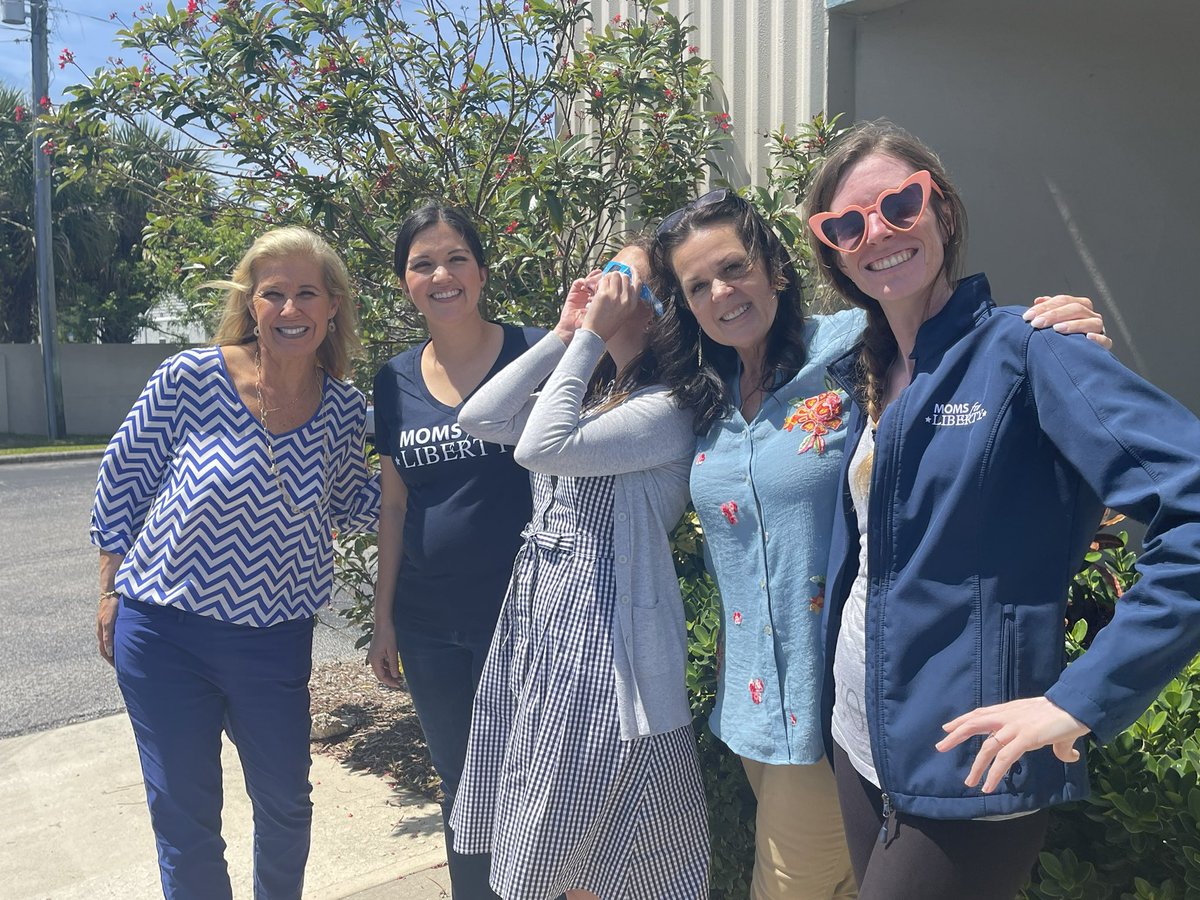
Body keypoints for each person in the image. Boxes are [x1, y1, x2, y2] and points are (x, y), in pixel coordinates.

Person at [649, 189, 1109, 898]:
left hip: (834, 689)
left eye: (735, 267)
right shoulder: (705, 397)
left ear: (775, 266)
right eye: (697, 284)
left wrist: (1045, 335)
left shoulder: (848, 346)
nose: (721, 292)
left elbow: (957, 346)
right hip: (750, 710)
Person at [804, 121, 1200, 899]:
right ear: (833, 252)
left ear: (943, 210)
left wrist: (1082, 701)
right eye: (845, 225)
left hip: (972, 763)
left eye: (900, 204)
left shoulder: (1032, 349)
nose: (875, 233)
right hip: (856, 741)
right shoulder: (866, 371)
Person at [91, 226, 380, 900]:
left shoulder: (341, 408)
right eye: (272, 293)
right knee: (186, 820)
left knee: (286, 807)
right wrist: (109, 591)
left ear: (332, 305)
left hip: (272, 640)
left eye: (306, 293)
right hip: (163, 632)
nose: (289, 309)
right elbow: (122, 480)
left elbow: (358, 504)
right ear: (251, 304)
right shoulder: (191, 377)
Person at [449, 239, 709, 900]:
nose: (603, 284)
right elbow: (479, 417)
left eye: (624, 278)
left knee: (608, 847)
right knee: (567, 846)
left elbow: (539, 447)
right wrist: (564, 336)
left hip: (608, 652)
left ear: (657, 309)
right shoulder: (596, 396)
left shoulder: (666, 409)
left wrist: (588, 335)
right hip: (548, 636)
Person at [367, 204, 543, 899]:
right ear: (405, 282)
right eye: (422, 263)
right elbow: (393, 503)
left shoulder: (534, 352)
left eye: (456, 258)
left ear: (482, 269)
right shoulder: (394, 379)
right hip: (430, 623)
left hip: (526, 617)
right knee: (463, 784)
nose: (442, 274)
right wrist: (383, 619)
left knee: (534, 778)